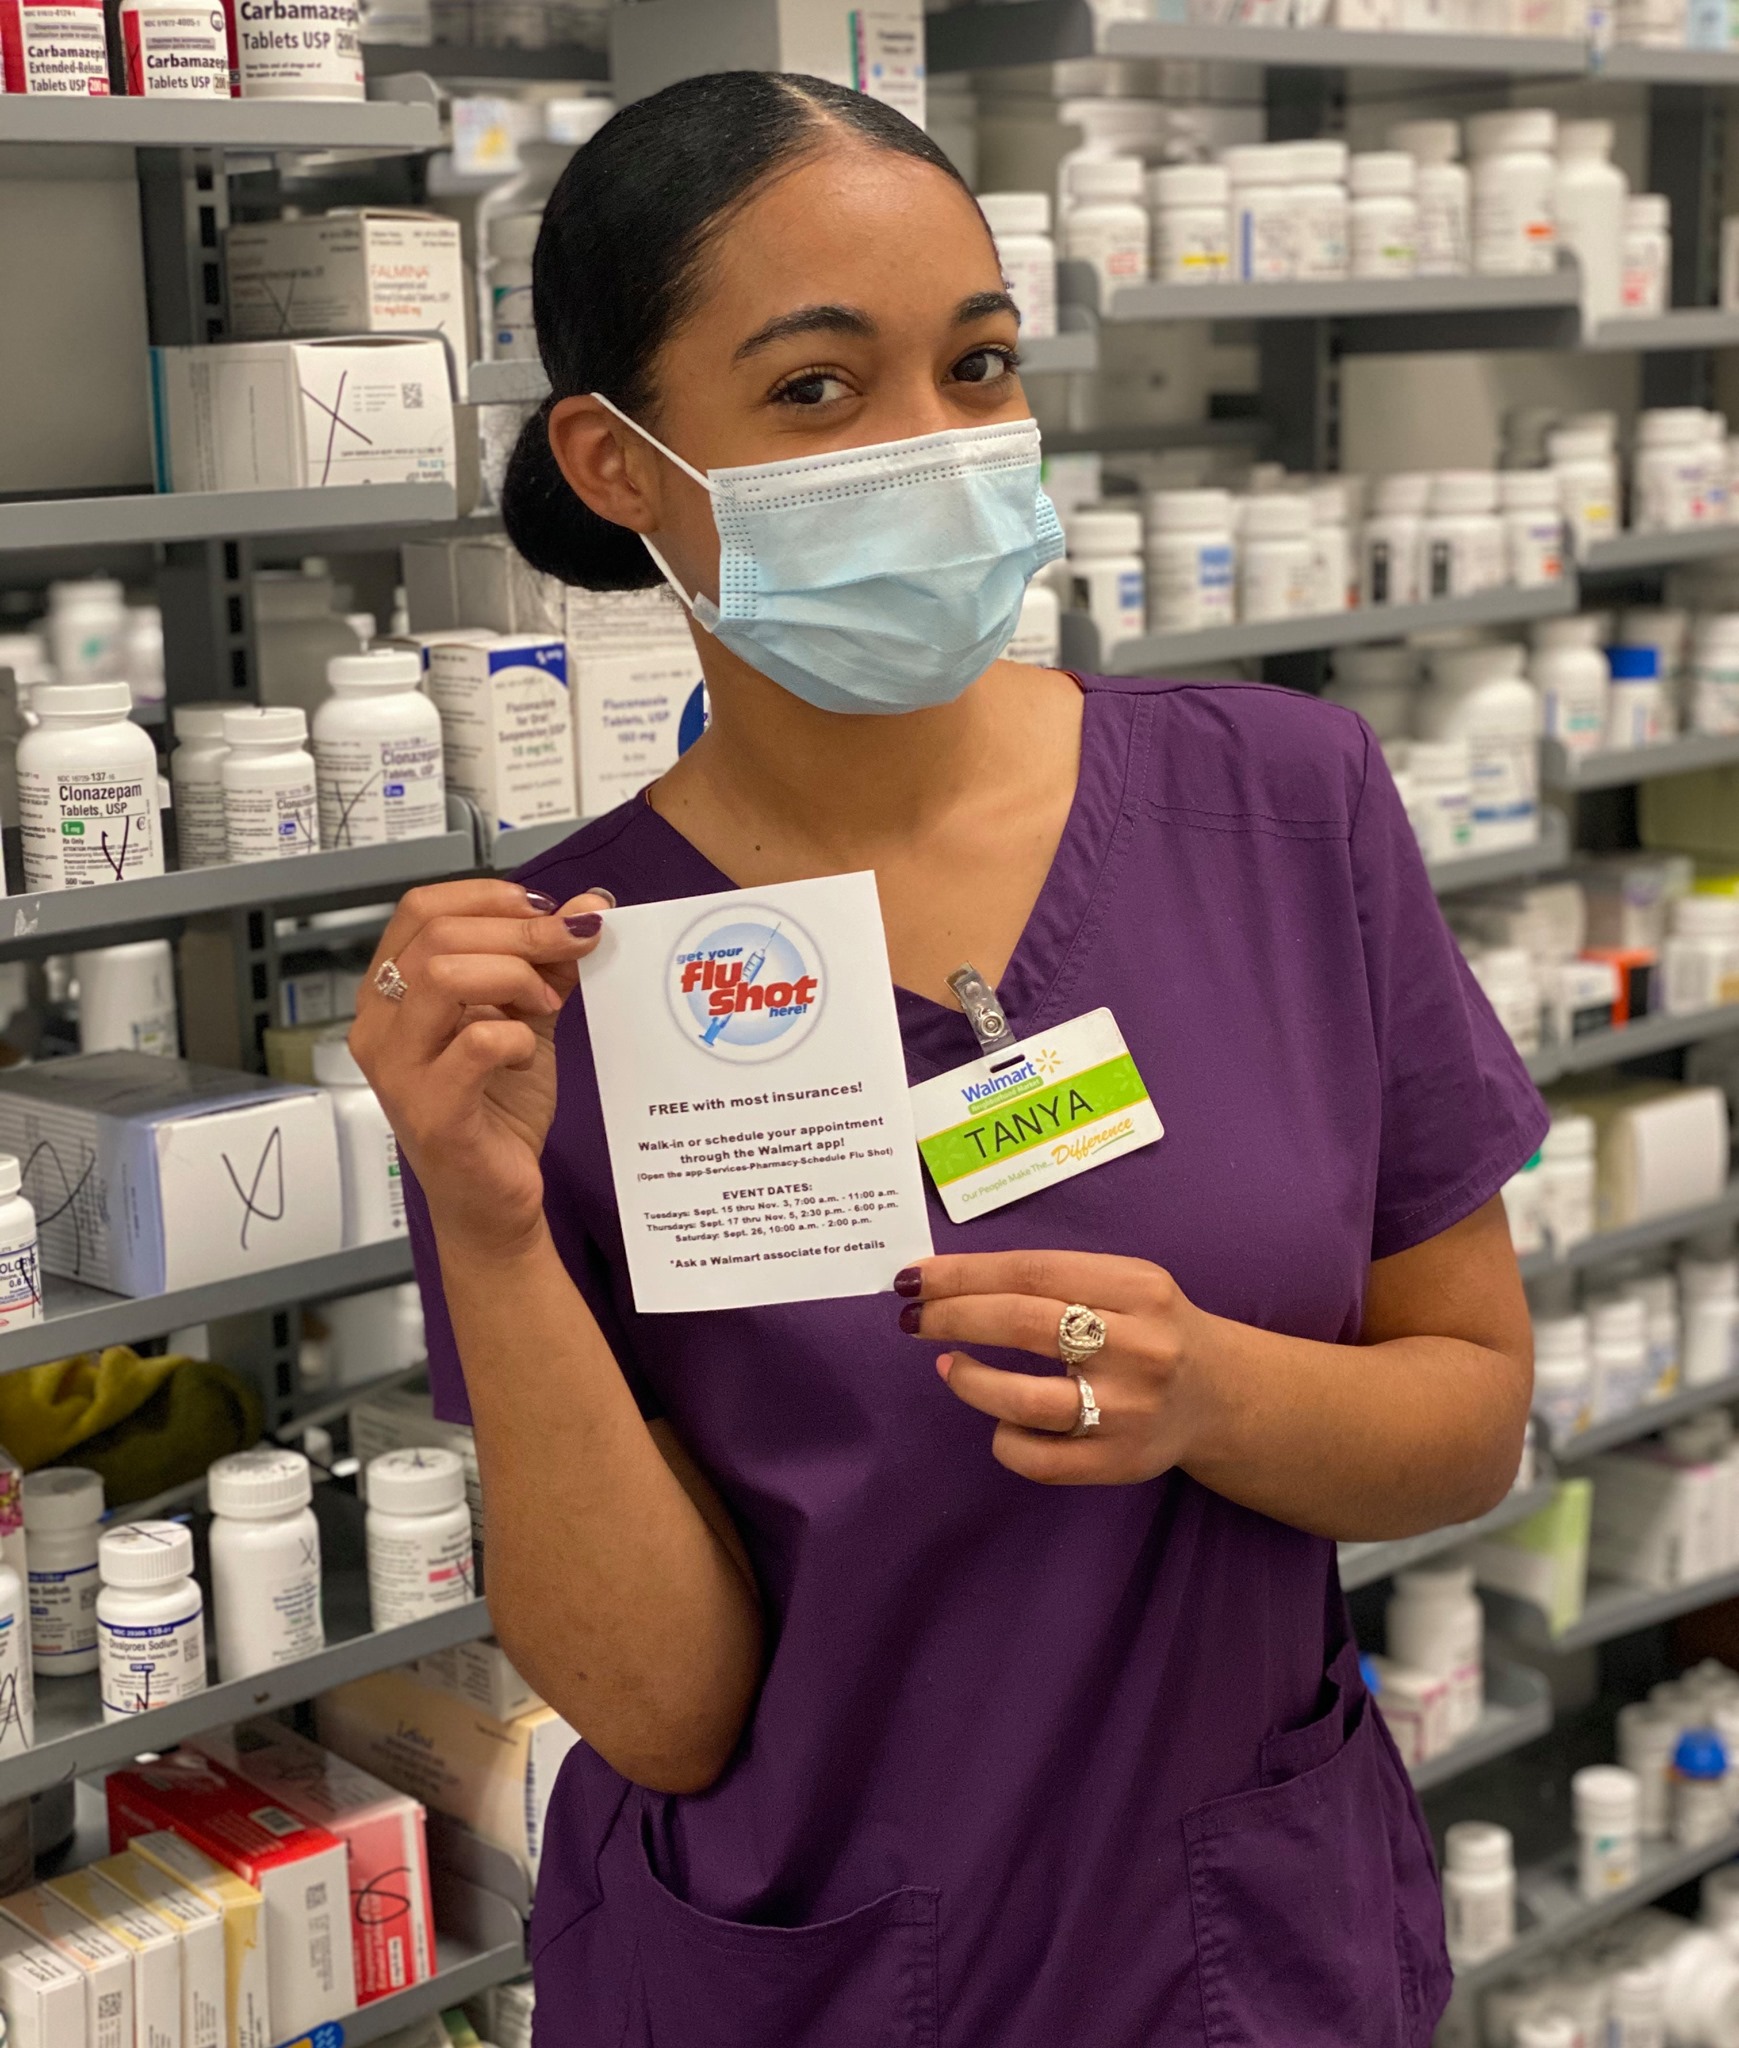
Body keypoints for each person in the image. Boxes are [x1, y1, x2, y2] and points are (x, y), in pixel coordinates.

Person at [353, 69, 1541, 2047]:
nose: (932, 443)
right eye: (819, 390)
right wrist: (485, 1220)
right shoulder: (562, 992)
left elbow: (1471, 1414)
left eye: (977, 366)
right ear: (620, 461)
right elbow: (662, 1710)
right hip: (800, 1975)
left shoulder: (1284, 805)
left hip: (1232, 1957)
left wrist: (1213, 1393)